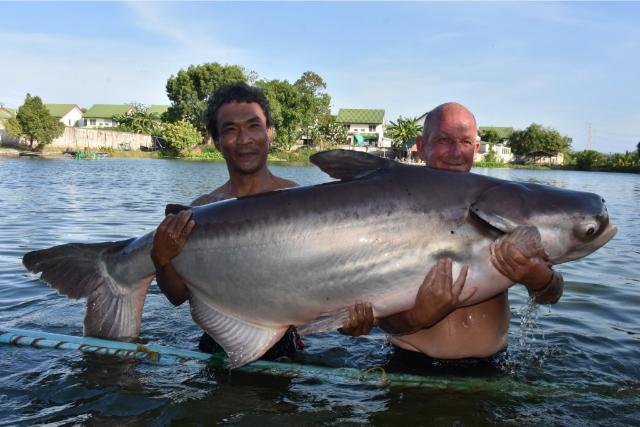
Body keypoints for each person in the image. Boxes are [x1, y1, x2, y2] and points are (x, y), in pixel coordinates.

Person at [339, 102, 564, 370]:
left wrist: (540, 279)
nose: (456, 152)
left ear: (476, 148)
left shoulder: (504, 207)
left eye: (465, 142)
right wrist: (418, 316)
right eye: (444, 140)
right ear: (421, 146)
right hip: (412, 364)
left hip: (493, 365)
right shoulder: (389, 210)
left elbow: (551, 295)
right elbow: (385, 321)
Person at [150, 82, 302, 359]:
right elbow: (177, 296)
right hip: (215, 345)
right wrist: (161, 259)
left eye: (254, 126)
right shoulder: (201, 210)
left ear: (269, 132)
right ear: (217, 140)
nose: (244, 139)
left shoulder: (298, 201)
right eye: (230, 129)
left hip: (281, 345)